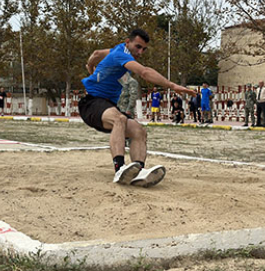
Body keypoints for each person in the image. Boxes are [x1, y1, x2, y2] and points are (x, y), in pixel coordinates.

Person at [80, 28, 195, 186]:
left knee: (138, 130)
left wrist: (90, 67)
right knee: (119, 118)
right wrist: (172, 85)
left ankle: (139, 172)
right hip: (91, 103)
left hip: (107, 105)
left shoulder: (117, 50)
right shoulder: (120, 54)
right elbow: (145, 72)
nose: (140, 52)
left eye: (144, 49)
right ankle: (119, 169)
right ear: (128, 42)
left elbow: (96, 53)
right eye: (138, 47)